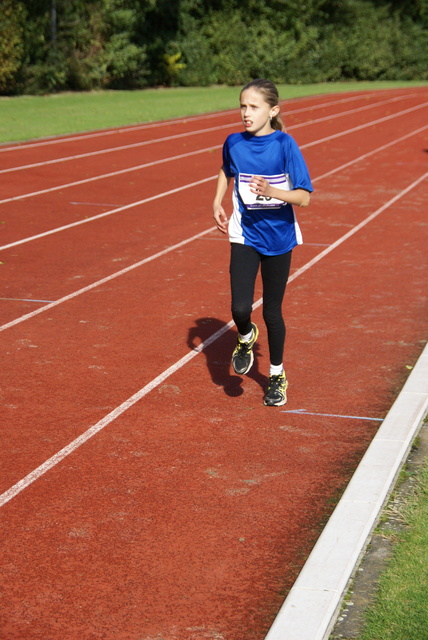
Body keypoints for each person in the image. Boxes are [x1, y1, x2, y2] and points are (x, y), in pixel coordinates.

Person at [212, 78, 313, 406]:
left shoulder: (285, 145)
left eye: (253, 107)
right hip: (245, 233)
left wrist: (273, 192)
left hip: (279, 237)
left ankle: (277, 375)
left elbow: (304, 197)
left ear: (273, 111)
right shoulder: (233, 142)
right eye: (242, 106)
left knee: (272, 312)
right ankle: (245, 337)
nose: (245, 112)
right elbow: (226, 171)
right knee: (240, 307)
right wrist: (217, 202)